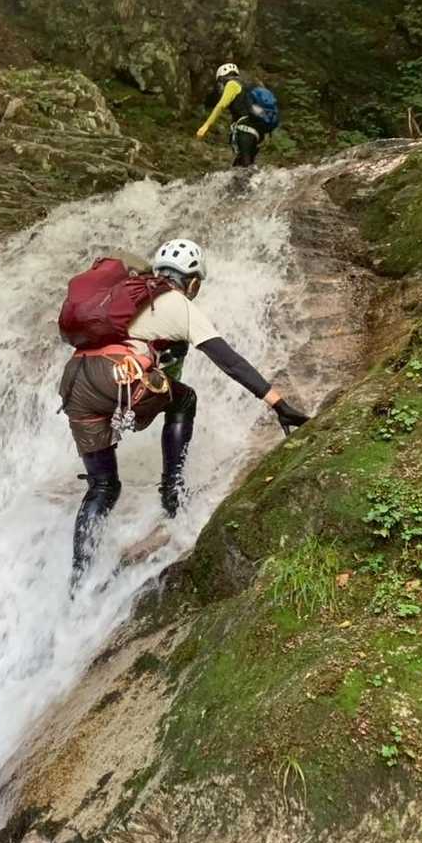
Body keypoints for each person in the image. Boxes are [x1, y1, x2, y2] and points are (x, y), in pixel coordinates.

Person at [59, 238, 310, 585]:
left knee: (103, 486)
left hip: (75, 382)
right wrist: (279, 404)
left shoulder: (125, 294)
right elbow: (230, 362)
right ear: (191, 282)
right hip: (118, 377)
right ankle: (172, 494)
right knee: (185, 399)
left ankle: (78, 579)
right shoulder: (177, 303)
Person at [196, 63, 277, 169]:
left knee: (245, 165)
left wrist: (205, 126)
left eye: (219, 82)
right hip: (257, 132)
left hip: (245, 130)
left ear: (222, 78)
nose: (220, 87)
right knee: (241, 165)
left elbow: (221, 105)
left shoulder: (231, 84)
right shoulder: (247, 86)